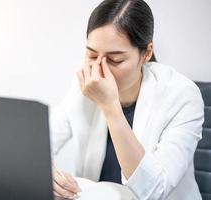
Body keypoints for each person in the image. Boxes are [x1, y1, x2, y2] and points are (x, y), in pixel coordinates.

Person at [50, 0, 204, 199]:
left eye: (115, 60)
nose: (99, 70)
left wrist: (110, 107)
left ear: (146, 53)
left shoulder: (182, 96)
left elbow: (154, 190)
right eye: (91, 55)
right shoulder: (85, 84)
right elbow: (39, 143)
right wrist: (49, 175)